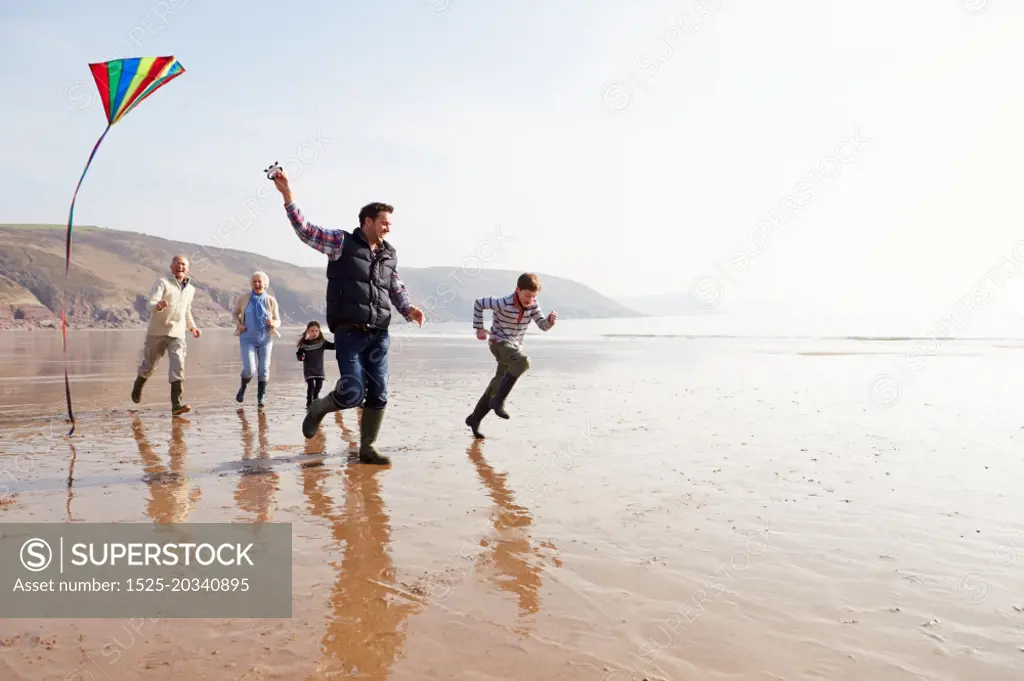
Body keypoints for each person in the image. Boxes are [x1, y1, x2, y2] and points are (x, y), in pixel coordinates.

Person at [271, 168, 425, 465]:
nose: (388, 228)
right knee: (353, 392)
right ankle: (318, 408)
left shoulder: (389, 254)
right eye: (383, 222)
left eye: (390, 224)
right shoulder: (341, 242)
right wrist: (288, 196)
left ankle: (367, 448)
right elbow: (306, 231)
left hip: (379, 333)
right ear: (367, 221)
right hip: (349, 333)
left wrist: (408, 309)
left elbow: (395, 285)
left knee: (379, 392)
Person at [465, 273, 557, 438]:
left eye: (533, 296)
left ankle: (475, 418)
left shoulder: (533, 305)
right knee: (523, 362)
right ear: (517, 290)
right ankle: (498, 401)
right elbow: (479, 303)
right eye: (527, 295)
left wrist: (550, 321)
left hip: (513, 346)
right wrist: (479, 328)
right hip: (498, 342)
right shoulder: (503, 303)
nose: (530, 299)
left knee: (498, 383)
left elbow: (542, 326)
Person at [130, 254, 202, 415]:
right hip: (157, 332)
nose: (180, 266)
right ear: (171, 267)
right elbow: (150, 305)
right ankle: (139, 384)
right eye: (176, 263)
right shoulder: (162, 283)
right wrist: (159, 305)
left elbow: (187, 311)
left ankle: (176, 405)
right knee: (149, 366)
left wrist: (193, 328)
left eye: (183, 264)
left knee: (179, 365)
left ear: (187, 268)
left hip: (177, 333)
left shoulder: (190, 289)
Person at [233, 270, 282, 408]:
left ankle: (261, 397)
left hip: (265, 339)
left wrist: (274, 323)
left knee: (264, 369)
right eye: (254, 281)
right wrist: (239, 324)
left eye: (259, 281)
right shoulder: (244, 298)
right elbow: (235, 313)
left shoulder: (271, 301)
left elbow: (278, 320)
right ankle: (243, 387)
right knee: (249, 369)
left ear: (265, 284)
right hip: (247, 338)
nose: (257, 284)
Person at [297, 321, 336, 410]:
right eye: (312, 331)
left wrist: (340, 338)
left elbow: (333, 346)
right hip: (308, 369)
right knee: (311, 386)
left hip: (319, 368)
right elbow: (299, 354)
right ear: (308, 331)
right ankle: (309, 402)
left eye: (316, 331)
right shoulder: (304, 344)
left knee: (319, 386)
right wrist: (301, 357)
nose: (314, 333)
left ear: (319, 331)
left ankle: (315, 397)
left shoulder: (322, 342)